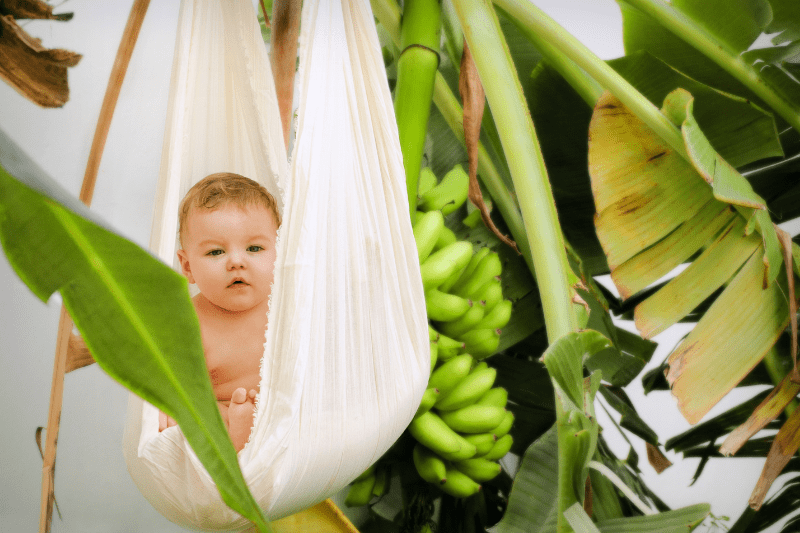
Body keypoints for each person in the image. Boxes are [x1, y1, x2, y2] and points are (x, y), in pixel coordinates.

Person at [157, 172, 281, 453]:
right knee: (196, 417)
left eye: (254, 248)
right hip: (222, 408)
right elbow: (165, 378)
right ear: (187, 267)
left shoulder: (288, 307)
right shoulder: (186, 321)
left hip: (282, 410)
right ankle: (238, 433)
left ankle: (249, 427)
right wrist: (163, 406)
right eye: (215, 252)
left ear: (280, 254)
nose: (236, 261)